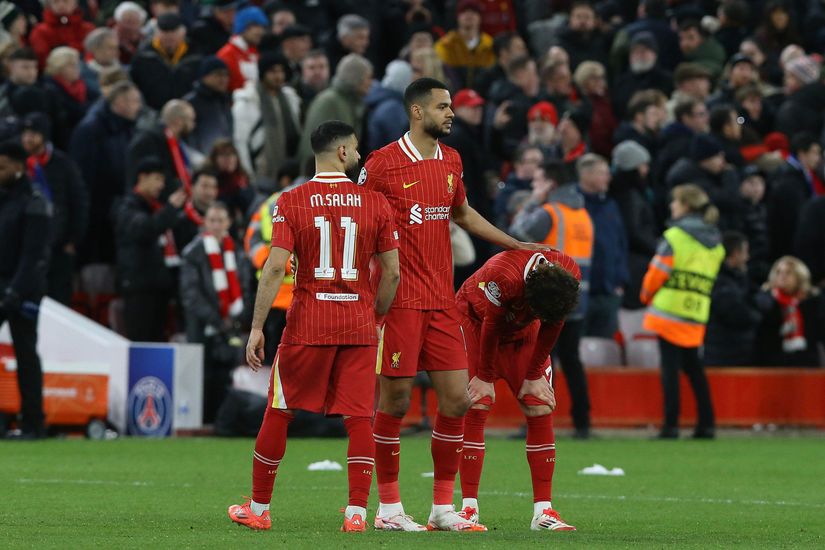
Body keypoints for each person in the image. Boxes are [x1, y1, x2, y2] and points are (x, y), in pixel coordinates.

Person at [362, 78, 543, 532]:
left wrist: (512, 243)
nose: (451, 114)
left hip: (442, 301)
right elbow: (359, 221)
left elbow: (462, 213)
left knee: (457, 401)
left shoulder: (452, 160)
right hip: (399, 300)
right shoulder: (381, 164)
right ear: (417, 112)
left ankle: (443, 508)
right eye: (443, 107)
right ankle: (387, 509)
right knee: (397, 400)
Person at [227, 120, 401, 532]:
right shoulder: (376, 204)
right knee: (360, 418)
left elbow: (274, 268)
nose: (359, 156)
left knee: (280, 410)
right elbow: (392, 273)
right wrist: (374, 318)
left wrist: (256, 327)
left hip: (308, 323)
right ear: (341, 152)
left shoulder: (291, 201)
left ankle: (258, 508)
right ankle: (357, 514)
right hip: (358, 323)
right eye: (356, 149)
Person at [455, 249, 581, 531]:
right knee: (478, 401)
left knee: (538, 403)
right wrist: (485, 376)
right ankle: (467, 508)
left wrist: (535, 374)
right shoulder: (504, 275)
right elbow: (491, 324)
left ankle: (544, 511)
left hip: (522, 335)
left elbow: (554, 322)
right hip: (475, 322)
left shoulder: (568, 272)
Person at [509, 160, 594, 438]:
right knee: (572, 361)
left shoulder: (549, 213)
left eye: (538, 181)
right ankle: (583, 423)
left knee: (544, 362)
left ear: (551, 184)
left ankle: (538, 419)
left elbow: (516, 235)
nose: (534, 186)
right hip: (579, 298)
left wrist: (532, 201)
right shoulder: (583, 215)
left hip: (551, 299)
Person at [640, 184, 724, 439]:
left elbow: (658, 272)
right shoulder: (716, 244)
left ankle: (671, 425)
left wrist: (645, 295)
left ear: (686, 206)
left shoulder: (675, 236)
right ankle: (706, 424)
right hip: (696, 312)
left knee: (670, 370)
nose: (671, 206)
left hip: (668, 312)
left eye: (675, 202)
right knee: (694, 369)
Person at [0, 140, 51, 440]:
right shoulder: (5, 199)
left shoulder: (34, 201)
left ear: (20, 167)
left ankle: (34, 422)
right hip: (3, 284)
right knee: (25, 354)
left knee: (26, 354)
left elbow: (34, 256)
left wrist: (15, 293)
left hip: (24, 290)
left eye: (3, 166)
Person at [180, 201, 248, 424]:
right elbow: (191, 295)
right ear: (205, 222)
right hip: (203, 328)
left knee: (226, 376)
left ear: (228, 222)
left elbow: (246, 287)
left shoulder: (237, 251)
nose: (216, 225)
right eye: (212, 220)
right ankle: (202, 420)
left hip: (231, 328)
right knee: (203, 376)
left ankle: (222, 422)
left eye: (220, 220)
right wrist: (217, 320)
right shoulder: (193, 252)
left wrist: (237, 318)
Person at [113, 157, 186, 342]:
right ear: (142, 177)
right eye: (157, 179)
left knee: (157, 341)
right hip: (138, 287)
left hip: (159, 287)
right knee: (140, 341)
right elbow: (144, 229)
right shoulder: (127, 205)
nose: (161, 185)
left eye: (163, 180)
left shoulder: (157, 207)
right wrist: (170, 209)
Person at [69, 80, 141, 264]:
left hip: (117, 207)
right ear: (119, 103)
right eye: (134, 101)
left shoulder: (128, 127)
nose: (139, 107)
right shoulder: (90, 130)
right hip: (99, 212)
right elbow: (82, 176)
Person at [20, 112, 88, 305]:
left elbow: (79, 202)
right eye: (24, 133)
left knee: (58, 301)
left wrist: (72, 239)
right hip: (25, 246)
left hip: (58, 246)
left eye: (33, 133)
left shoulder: (63, 163)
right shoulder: (16, 164)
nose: (27, 138)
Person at [578, 154, 629, 338]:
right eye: (602, 173)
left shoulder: (610, 205)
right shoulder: (573, 206)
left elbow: (621, 244)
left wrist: (620, 279)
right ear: (586, 175)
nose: (608, 178)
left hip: (609, 292)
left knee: (605, 348)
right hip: (580, 292)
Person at [298, 54, 372, 171]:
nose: (370, 83)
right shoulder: (328, 102)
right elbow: (312, 147)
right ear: (356, 78)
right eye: (367, 77)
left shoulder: (351, 103)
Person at [704, 231, 762, 366]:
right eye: (745, 252)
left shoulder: (738, 279)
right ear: (736, 253)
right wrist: (759, 306)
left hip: (734, 352)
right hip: (723, 357)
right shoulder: (719, 281)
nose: (748, 257)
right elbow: (739, 315)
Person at [754, 256, 824, 367]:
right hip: (773, 364)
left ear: (799, 277)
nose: (782, 276)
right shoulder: (766, 301)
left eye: (788, 273)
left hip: (807, 363)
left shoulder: (811, 302)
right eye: (778, 272)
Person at [129, 12, 201, 111]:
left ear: (183, 32)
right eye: (165, 34)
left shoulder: (195, 54)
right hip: (153, 111)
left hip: (188, 110)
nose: (169, 38)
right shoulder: (143, 56)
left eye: (173, 34)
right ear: (156, 33)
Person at [126, 100, 196, 198]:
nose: (193, 125)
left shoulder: (175, 143)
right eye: (191, 120)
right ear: (178, 121)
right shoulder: (149, 141)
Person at [767, 133, 821, 261]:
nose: (818, 158)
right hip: (789, 250)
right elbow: (796, 218)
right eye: (815, 153)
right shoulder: (789, 180)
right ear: (802, 154)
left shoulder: (797, 175)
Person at [434, 0, 494, 89]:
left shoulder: (490, 45)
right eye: (464, 11)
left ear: (480, 17)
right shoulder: (445, 44)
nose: (469, 15)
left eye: (474, 12)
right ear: (457, 17)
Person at [183, 56, 232, 156]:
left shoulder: (224, 100)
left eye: (226, 75)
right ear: (204, 76)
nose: (223, 79)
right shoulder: (191, 102)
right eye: (218, 75)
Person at [28, 0, 94, 68]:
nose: (61, 5)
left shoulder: (87, 29)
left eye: (66, 1)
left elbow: (93, 54)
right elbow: (42, 58)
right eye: (56, 2)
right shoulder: (40, 31)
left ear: (75, 3)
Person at [217, 5, 267, 92]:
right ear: (243, 28)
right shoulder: (227, 54)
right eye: (256, 26)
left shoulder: (253, 51)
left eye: (262, 27)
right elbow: (235, 86)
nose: (261, 32)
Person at [175, 166, 219, 250]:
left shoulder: (223, 217)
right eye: (204, 186)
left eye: (213, 187)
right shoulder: (181, 220)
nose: (209, 192)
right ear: (192, 188)